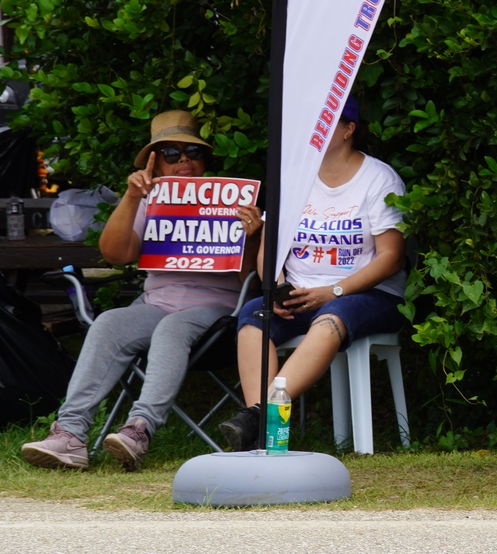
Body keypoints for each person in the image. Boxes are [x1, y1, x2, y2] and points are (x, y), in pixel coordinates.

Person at [20, 111, 262, 471]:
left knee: (172, 328)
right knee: (109, 323)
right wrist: (132, 198)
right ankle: (69, 434)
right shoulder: (149, 198)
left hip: (217, 309)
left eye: (192, 153)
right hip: (156, 302)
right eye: (172, 154)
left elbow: (254, 277)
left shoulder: (233, 202)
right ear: (156, 162)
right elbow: (115, 254)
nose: (184, 161)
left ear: (205, 160)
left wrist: (254, 235)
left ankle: (139, 429)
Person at [218, 95, 406, 450]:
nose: (313, 131)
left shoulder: (378, 179)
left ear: (349, 129)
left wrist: (333, 290)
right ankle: (264, 433)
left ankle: (259, 418)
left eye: (325, 122)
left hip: (364, 296)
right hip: (301, 294)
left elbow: (392, 258)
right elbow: (271, 251)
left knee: (332, 316)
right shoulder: (295, 179)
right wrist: (275, 289)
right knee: (252, 313)